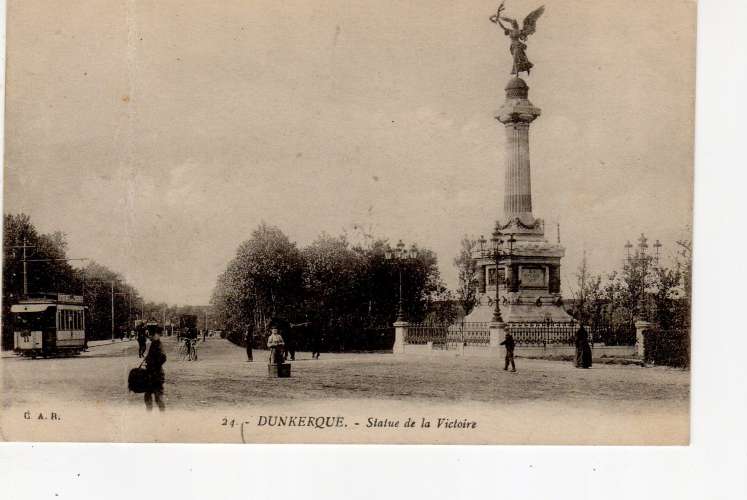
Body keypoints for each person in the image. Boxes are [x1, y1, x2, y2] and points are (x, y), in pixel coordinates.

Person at [143, 330, 166, 411]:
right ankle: (150, 415)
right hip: (150, 374)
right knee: (147, 396)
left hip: (156, 374)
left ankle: (162, 415)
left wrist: (153, 364)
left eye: (151, 335)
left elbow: (163, 357)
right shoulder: (151, 343)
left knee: (158, 397)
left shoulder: (158, 344)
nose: (150, 337)